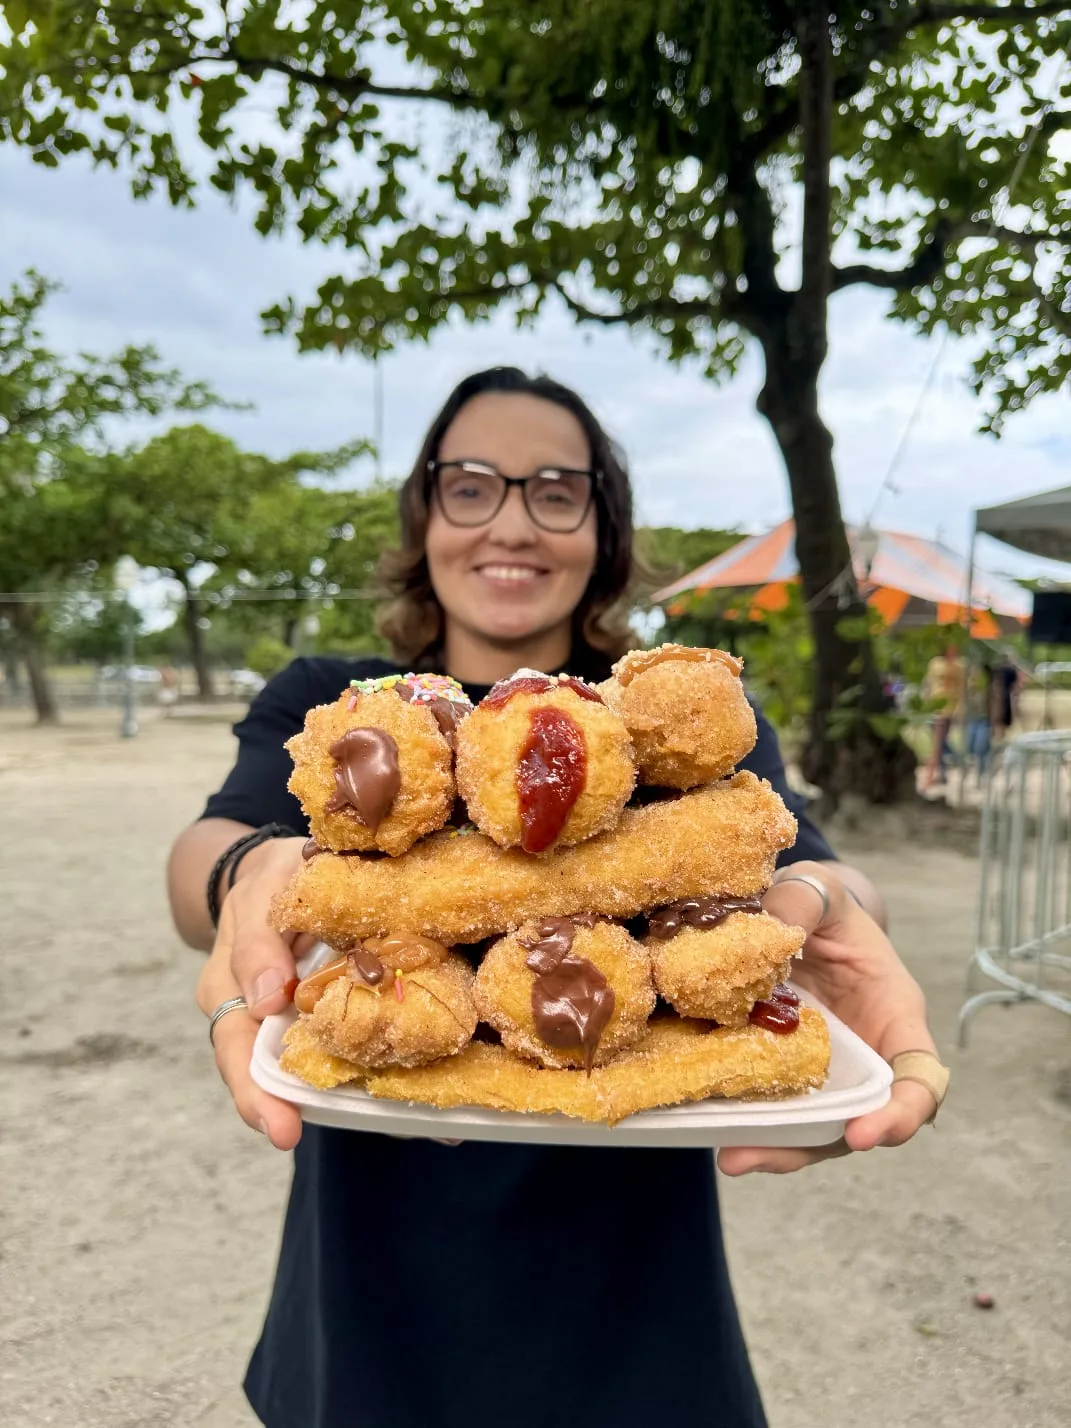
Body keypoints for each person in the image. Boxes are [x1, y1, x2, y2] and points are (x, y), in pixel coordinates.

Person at [170, 368, 946, 1428]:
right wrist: (254, 868)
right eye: (472, 484)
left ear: (602, 526)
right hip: (369, 1284)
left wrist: (823, 895)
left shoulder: (680, 712)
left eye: (557, 491)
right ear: (426, 513)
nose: (514, 523)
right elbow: (204, 856)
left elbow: (819, 871)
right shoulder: (337, 701)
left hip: (634, 1290)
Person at [921, 643, 964, 789]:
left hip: (949, 708)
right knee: (938, 742)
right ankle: (953, 761)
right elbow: (929, 683)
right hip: (935, 707)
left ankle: (945, 768)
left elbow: (959, 688)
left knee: (941, 741)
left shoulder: (958, 666)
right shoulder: (936, 663)